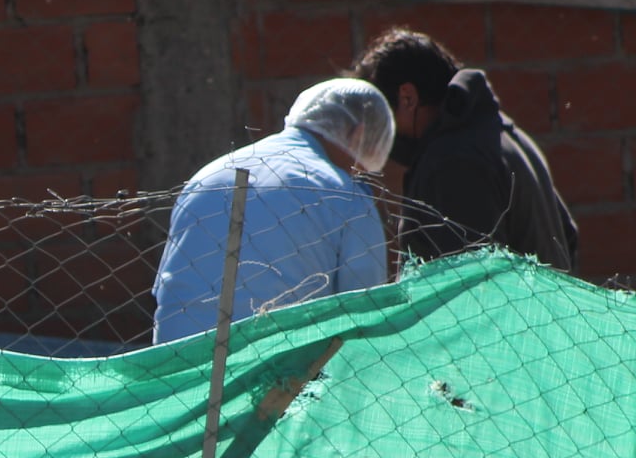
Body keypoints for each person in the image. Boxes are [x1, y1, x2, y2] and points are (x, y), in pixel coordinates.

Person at [153, 78, 393, 344]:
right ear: (358, 135)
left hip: (178, 370)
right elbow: (365, 316)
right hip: (279, 375)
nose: (358, 172)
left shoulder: (207, 176)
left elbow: (170, 289)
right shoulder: (346, 195)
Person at [352, 28, 577, 271]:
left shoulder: (452, 161)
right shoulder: (506, 136)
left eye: (380, 115)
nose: (379, 131)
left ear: (407, 98)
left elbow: (466, 287)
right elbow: (569, 238)